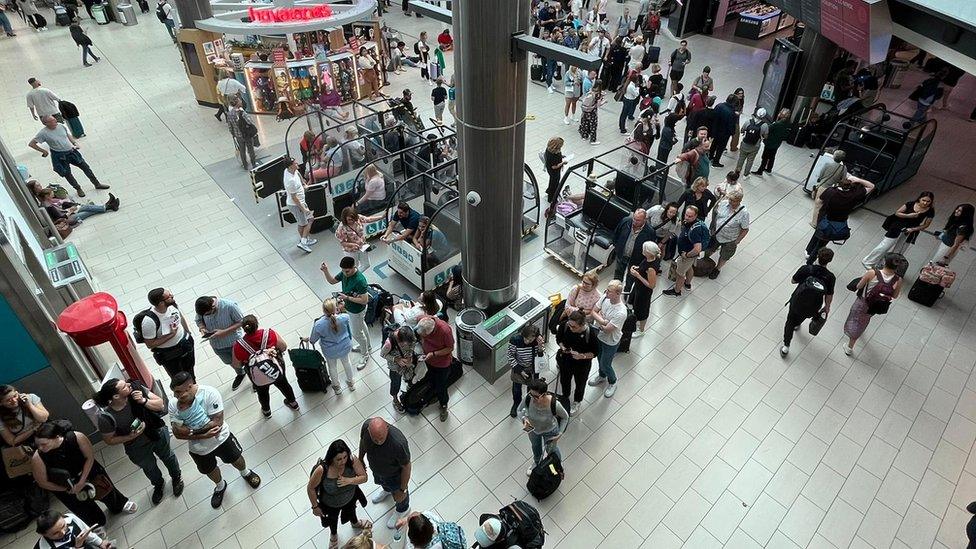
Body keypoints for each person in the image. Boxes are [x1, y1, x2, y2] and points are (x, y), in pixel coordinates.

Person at [168, 372, 261, 508]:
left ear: (189, 386)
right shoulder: (174, 403)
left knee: (236, 458)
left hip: (222, 439)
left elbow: (217, 423)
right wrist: (202, 434)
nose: (175, 396)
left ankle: (245, 472)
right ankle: (220, 486)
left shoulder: (210, 393)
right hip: (199, 449)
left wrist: (190, 431)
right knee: (209, 470)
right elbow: (177, 433)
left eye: (178, 392)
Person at [93, 378, 183, 505]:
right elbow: (109, 439)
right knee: (149, 468)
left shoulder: (137, 391)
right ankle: (158, 484)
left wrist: (143, 400)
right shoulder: (106, 417)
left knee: (168, 456)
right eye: (124, 386)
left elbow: (160, 405)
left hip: (156, 433)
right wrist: (130, 436)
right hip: (136, 447)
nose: (129, 385)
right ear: (116, 396)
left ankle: (176, 477)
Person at [31, 422, 137, 526]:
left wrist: (82, 481)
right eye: (38, 445)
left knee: (106, 490)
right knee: (81, 507)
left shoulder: (75, 437)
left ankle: (119, 504)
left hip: (88, 471)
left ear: (57, 437)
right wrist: (67, 489)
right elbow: (43, 482)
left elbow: (89, 458)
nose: (40, 448)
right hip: (64, 485)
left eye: (44, 444)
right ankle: (96, 524)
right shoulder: (38, 457)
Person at [231, 315, 300, 418]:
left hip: (258, 376)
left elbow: (236, 364)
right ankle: (294, 404)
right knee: (284, 385)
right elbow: (284, 347)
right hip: (276, 369)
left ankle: (266, 411)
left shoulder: (238, 345)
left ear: (243, 329)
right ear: (257, 324)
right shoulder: (269, 333)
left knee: (262, 393)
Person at [307, 440, 371, 548]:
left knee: (352, 511)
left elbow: (364, 477)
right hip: (330, 504)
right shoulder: (322, 470)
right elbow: (310, 488)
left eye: (345, 457)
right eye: (339, 459)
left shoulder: (352, 460)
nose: (343, 462)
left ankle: (355, 523)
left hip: (350, 498)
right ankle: (333, 535)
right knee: (332, 520)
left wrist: (349, 481)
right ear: (332, 458)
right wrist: (315, 506)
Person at [29, 115, 110, 197]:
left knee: (85, 167)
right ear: (46, 123)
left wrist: (75, 143)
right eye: (53, 120)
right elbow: (32, 144)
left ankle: (97, 183)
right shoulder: (43, 133)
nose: (56, 121)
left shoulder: (60, 126)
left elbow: (67, 135)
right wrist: (43, 151)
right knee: (67, 174)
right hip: (59, 155)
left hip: (71, 152)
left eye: (55, 119)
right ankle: (78, 188)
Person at [805, 173, 875, 264]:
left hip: (825, 219)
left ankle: (809, 254)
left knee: (818, 236)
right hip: (838, 223)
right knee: (822, 242)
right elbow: (871, 186)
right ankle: (811, 258)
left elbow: (819, 201)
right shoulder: (854, 194)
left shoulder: (831, 191)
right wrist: (857, 179)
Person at [843, 254, 903, 356]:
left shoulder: (872, 273)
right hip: (878, 305)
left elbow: (859, 286)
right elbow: (895, 295)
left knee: (855, 320)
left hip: (863, 302)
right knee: (865, 319)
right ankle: (860, 330)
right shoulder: (898, 280)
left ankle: (850, 346)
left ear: (884, 262)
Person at [781, 248, 835, 357]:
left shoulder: (807, 269)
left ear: (818, 256)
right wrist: (827, 307)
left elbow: (793, 281)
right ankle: (797, 324)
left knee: (790, 320)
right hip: (814, 305)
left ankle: (786, 346)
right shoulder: (830, 277)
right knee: (803, 315)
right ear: (829, 261)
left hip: (798, 300)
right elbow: (829, 294)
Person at [358, 417, 411, 528]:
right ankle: (387, 491)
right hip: (377, 470)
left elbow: (406, 466)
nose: (378, 442)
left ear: (387, 428)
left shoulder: (398, 443)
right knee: (383, 484)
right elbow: (363, 442)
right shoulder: (366, 427)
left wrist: (402, 490)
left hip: (394, 475)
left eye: (381, 438)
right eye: (374, 439)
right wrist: (360, 459)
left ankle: (402, 509)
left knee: (399, 495)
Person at [320, 257, 371, 368]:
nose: (344, 273)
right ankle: (367, 346)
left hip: (357, 310)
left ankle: (365, 354)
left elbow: (364, 300)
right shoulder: (345, 273)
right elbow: (332, 281)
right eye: (343, 270)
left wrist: (347, 298)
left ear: (354, 267)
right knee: (361, 325)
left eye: (347, 271)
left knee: (357, 333)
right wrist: (325, 271)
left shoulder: (360, 280)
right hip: (351, 308)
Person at [862, 192, 935, 269]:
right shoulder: (910, 204)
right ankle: (868, 261)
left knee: (898, 250)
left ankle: (884, 265)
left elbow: (926, 225)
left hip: (910, 231)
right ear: (919, 198)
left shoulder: (930, 210)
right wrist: (908, 216)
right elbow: (897, 213)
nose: (925, 203)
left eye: (928, 201)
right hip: (897, 226)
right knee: (885, 245)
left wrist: (913, 229)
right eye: (923, 200)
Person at [139, 288, 195, 378]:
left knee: (190, 370)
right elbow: (150, 344)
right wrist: (171, 335)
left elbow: (180, 316)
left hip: (185, 344)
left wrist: (187, 332)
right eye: (169, 296)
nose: (172, 296)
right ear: (161, 303)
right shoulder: (149, 321)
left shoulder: (172, 305)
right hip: (169, 354)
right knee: (178, 377)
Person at [517, 378, 569, 476]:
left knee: (552, 450)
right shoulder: (528, 397)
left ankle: (556, 466)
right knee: (535, 447)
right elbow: (519, 410)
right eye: (531, 394)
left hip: (550, 430)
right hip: (532, 429)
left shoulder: (554, 404)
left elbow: (565, 417)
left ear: (544, 394)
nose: (533, 398)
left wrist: (560, 433)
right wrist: (524, 419)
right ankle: (537, 462)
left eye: (536, 396)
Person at [193, 295, 246, 389]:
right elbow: (198, 320)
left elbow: (241, 322)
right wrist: (202, 328)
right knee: (231, 362)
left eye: (208, 314)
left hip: (235, 343)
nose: (206, 316)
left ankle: (255, 378)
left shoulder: (230, 306)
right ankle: (241, 374)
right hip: (217, 345)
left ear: (213, 307)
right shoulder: (203, 309)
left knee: (246, 361)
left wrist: (224, 332)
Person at [309, 298, 357, 395]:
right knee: (347, 362)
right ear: (336, 309)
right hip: (345, 346)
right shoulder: (345, 317)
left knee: (332, 367)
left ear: (323, 310)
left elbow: (312, 340)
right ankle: (351, 383)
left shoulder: (318, 324)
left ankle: (337, 388)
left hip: (330, 351)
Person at [587, 279, 626, 397]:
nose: (606, 292)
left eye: (610, 291)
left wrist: (600, 320)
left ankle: (613, 381)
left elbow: (608, 329)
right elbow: (593, 311)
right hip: (599, 336)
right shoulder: (605, 297)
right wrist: (603, 320)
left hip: (610, 341)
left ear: (618, 293)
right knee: (599, 358)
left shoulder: (621, 312)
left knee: (606, 363)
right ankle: (602, 376)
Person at [555, 310, 598, 415]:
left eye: (574, 327)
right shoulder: (565, 326)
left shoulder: (591, 333)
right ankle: (565, 397)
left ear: (582, 324)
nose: (571, 328)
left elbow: (595, 352)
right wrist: (563, 347)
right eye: (570, 325)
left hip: (582, 365)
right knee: (564, 381)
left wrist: (581, 356)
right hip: (565, 360)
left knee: (580, 384)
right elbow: (559, 339)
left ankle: (577, 401)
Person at [700, 188, 749, 280]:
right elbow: (715, 212)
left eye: (733, 201)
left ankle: (717, 269)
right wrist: (712, 226)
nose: (730, 202)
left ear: (739, 201)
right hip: (716, 234)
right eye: (730, 199)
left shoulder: (744, 213)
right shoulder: (723, 203)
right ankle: (705, 259)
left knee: (725, 255)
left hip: (730, 239)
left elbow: (745, 229)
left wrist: (737, 241)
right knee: (709, 248)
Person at [663, 205, 709, 297]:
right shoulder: (693, 223)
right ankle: (687, 284)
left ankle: (676, 291)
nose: (687, 217)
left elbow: (697, 249)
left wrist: (686, 255)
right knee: (689, 267)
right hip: (690, 255)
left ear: (695, 216)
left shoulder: (695, 230)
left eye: (690, 216)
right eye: (686, 215)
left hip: (687, 255)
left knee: (680, 273)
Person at [507, 324, 545, 418]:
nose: (527, 341)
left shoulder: (537, 341)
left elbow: (540, 356)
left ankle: (529, 404)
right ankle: (516, 404)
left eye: (531, 340)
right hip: (519, 368)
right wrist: (520, 370)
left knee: (532, 389)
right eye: (526, 339)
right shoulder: (515, 341)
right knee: (516, 389)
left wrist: (540, 346)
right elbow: (510, 356)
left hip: (532, 369)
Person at [282, 156, 316, 253]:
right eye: (295, 164)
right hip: (296, 205)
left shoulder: (289, 170)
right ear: (290, 166)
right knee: (306, 222)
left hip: (301, 202)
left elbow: (298, 173)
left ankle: (305, 239)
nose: (297, 164)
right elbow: (294, 197)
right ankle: (303, 242)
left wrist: (303, 183)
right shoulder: (290, 181)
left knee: (305, 221)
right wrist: (303, 209)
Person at [612, 208, 654, 283]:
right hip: (621, 255)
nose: (634, 221)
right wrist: (617, 248)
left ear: (645, 219)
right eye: (634, 218)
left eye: (638, 220)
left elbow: (650, 249)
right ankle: (617, 289)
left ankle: (626, 292)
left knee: (631, 278)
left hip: (636, 260)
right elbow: (616, 234)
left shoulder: (650, 232)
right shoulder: (626, 221)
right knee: (618, 275)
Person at [36, 187, 118, 227]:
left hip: (68, 213)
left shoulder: (49, 201)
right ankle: (108, 206)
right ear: (47, 196)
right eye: (51, 193)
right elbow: (60, 217)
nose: (53, 194)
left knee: (86, 207)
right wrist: (70, 211)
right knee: (88, 210)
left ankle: (108, 206)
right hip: (68, 219)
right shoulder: (49, 206)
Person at [33, 510, 115, 549]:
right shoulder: (45, 547)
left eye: (63, 526)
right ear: (44, 534)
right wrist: (78, 546)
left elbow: (86, 532)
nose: (63, 532)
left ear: (63, 517)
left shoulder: (71, 518)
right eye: (55, 533)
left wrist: (100, 543)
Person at [381, 326, 417, 413]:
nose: (406, 345)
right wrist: (397, 359)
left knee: (411, 376)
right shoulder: (389, 343)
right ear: (399, 340)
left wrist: (410, 356)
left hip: (407, 362)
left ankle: (409, 388)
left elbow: (413, 344)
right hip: (395, 368)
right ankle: (395, 399)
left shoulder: (410, 335)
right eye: (404, 344)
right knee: (395, 383)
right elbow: (382, 354)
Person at [628, 241, 661, 335]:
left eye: (644, 249)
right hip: (638, 287)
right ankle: (634, 323)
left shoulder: (651, 269)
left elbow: (652, 285)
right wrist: (638, 268)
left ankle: (641, 330)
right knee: (635, 306)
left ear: (649, 252)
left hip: (643, 292)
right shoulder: (650, 259)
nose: (642, 250)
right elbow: (644, 267)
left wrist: (638, 275)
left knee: (642, 310)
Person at [753, 108, 791, 175]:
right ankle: (769, 169)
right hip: (777, 143)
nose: (779, 113)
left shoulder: (777, 124)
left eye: (780, 113)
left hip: (770, 143)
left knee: (765, 157)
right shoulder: (788, 124)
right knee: (772, 156)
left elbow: (768, 128)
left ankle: (760, 171)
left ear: (782, 115)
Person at [733, 108, 768, 177]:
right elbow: (765, 136)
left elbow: (742, 130)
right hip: (755, 145)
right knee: (750, 160)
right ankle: (746, 174)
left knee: (741, 158)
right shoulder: (764, 125)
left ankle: (737, 172)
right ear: (764, 116)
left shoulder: (748, 121)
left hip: (745, 143)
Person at [226, 98, 258, 169]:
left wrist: (233, 134)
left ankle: (245, 165)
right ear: (237, 103)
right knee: (250, 149)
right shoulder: (242, 112)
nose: (241, 102)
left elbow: (230, 126)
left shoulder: (229, 114)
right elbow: (250, 121)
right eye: (240, 101)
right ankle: (253, 164)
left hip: (238, 136)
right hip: (247, 134)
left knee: (242, 150)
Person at [709, 96, 737, 167]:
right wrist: (732, 132)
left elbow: (713, 117)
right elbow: (731, 125)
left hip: (715, 130)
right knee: (720, 148)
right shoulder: (732, 113)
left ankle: (710, 156)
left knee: (714, 144)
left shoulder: (719, 106)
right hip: (724, 133)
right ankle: (716, 161)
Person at [543, 137, 567, 212]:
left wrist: (561, 157)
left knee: (552, 181)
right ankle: (551, 198)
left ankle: (549, 190)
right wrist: (562, 163)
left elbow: (557, 156)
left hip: (553, 170)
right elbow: (554, 166)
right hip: (554, 171)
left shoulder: (550, 150)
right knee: (554, 183)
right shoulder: (551, 155)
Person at [578, 80, 605, 145]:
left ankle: (584, 136)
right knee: (593, 125)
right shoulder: (597, 94)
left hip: (585, 110)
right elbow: (598, 105)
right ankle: (593, 140)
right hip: (592, 111)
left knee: (585, 123)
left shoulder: (591, 90)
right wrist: (604, 101)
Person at [728, 88, 745, 152]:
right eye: (739, 93)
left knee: (736, 134)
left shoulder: (741, 101)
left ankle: (733, 147)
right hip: (731, 119)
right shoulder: (733, 100)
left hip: (736, 120)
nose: (741, 95)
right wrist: (735, 112)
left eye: (742, 93)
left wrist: (740, 112)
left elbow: (741, 109)